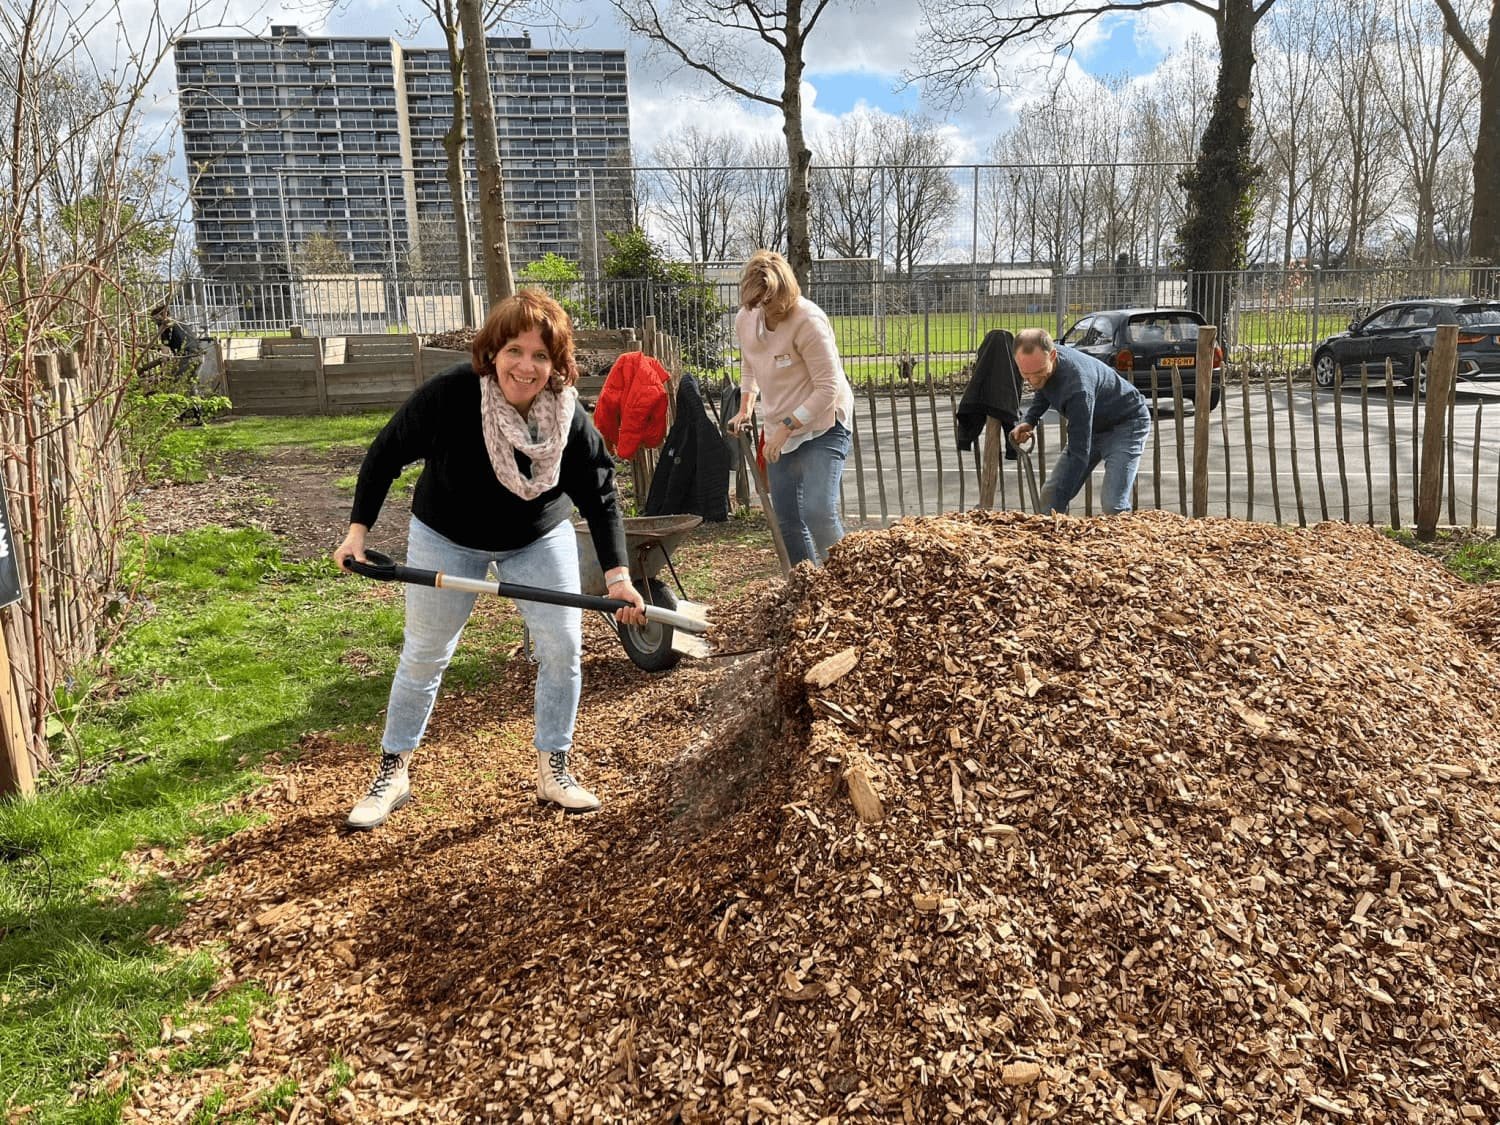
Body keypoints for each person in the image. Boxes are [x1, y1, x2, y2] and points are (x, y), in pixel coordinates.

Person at [333, 289, 647, 830]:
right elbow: (386, 452)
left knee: (562, 646)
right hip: (446, 535)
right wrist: (356, 533)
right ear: (492, 353)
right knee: (425, 653)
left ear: (556, 364)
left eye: (541, 355)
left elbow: (600, 494)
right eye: (514, 351)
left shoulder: (568, 417)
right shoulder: (453, 395)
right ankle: (393, 771)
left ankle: (554, 768)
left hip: (536, 537)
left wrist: (618, 577)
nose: (526, 366)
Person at [726, 249, 855, 567]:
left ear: (784, 291)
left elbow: (828, 388)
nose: (764, 310)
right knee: (787, 518)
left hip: (825, 423)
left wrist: (786, 428)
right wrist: (745, 407)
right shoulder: (746, 317)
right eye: (758, 303)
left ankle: (846, 581)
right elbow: (750, 363)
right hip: (780, 426)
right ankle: (806, 584)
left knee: (817, 511)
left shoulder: (807, 320)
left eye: (769, 302)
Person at [1008, 327, 1151, 516]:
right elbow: (1044, 386)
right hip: (1092, 424)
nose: (1033, 380)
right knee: (1051, 497)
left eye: (1039, 372)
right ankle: (1053, 533)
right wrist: (1030, 420)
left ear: (1052, 355)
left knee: (1113, 504)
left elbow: (1079, 453)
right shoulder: (1044, 364)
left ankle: (1124, 535)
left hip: (1126, 424)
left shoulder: (1078, 387)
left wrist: (1063, 490)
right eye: (1026, 375)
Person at [138, 304, 204, 392]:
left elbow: (165, 352)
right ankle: (195, 400)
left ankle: (173, 399)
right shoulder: (181, 324)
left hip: (187, 357)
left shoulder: (165, 327)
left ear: (162, 316)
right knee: (191, 383)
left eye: (155, 318)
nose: (155, 321)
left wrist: (164, 369)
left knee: (175, 383)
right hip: (199, 355)